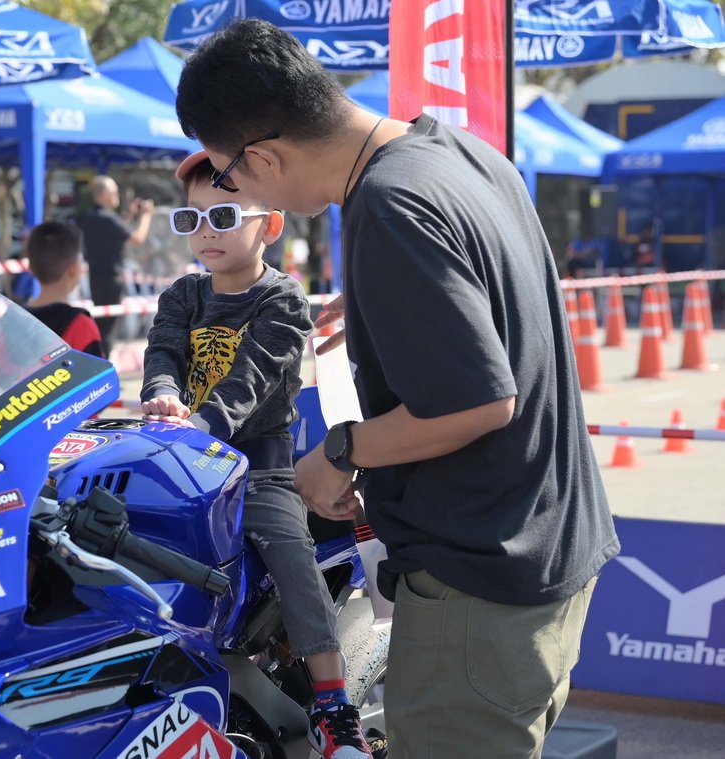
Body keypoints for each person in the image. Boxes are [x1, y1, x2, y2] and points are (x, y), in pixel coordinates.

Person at [176, 19, 619, 759]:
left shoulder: (388, 204)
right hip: (551, 544)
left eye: (227, 178)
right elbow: (498, 287)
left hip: (480, 583)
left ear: (263, 157)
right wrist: (385, 299)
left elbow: (479, 403)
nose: (233, 189)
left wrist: (340, 453)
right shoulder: (457, 151)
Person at [141, 151, 372, 759]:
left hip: (258, 466)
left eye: (222, 215)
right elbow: (163, 355)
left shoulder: (283, 299)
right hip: (183, 460)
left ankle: (333, 706)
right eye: (191, 219)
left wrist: (203, 426)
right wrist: (163, 394)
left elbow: (253, 376)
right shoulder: (182, 295)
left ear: (269, 225)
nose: (205, 232)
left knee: (290, 553)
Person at [77, 175, 154, 358]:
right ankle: (104, 364)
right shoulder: (107, 217)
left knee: (101, 327)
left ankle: (99, 361)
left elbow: (117, 232)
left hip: (96, 278)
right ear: (104, 194)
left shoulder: (92, 216)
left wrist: (131, 215)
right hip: (111, 279)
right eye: (114, 191)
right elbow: (136, 238)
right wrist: (147, 216)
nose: (117, 194)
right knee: (108, 332)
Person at [24, 220, 103, 357]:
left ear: (30, 268)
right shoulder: (82, 325)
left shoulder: (11, 323)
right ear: (73, 269)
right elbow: (98, 370)